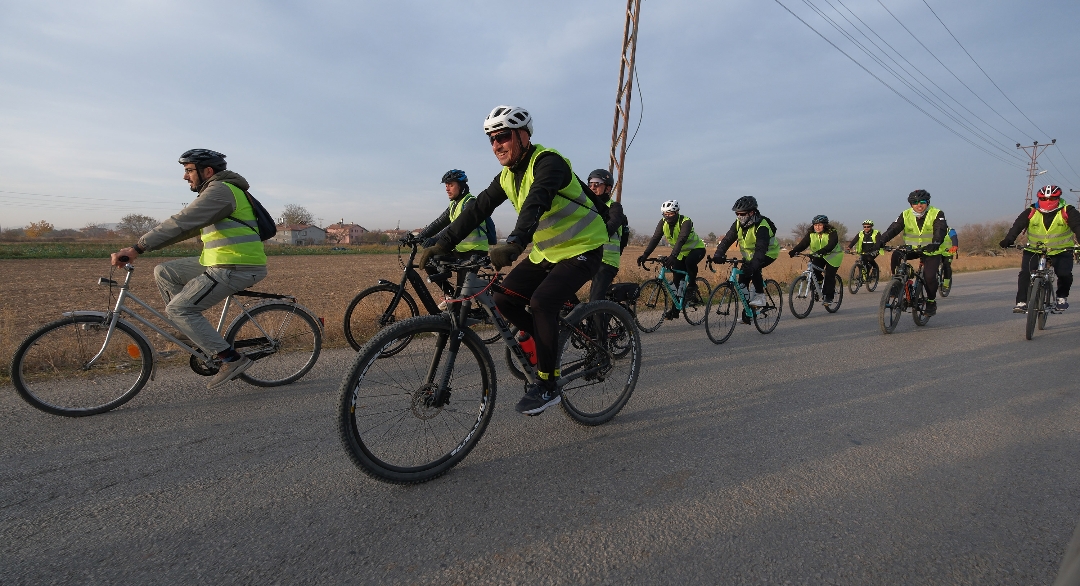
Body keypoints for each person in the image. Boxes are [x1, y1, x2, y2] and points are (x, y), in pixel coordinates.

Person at [417, 105, 609, 416]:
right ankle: (550, 341)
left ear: (522, 135)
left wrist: (515, 243)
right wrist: (441, 244)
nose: (496, 145)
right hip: (548, 252)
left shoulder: (549, 163)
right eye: (491, 139)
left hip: (583, 247)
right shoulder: (507, 176)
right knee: (503, 298)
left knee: (542, 302)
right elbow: (478, 209)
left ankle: (548, 385)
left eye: (502, 137)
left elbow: (538, 199)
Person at [110, 149, 267, 388]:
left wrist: (137, 248)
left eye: (188, 170)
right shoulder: (217, 192)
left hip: (237, 265)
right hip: (219, 261)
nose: (185, 176)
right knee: (165, 272)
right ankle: (191, 332)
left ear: (208, 171)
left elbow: (181, 221)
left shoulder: (221, 191)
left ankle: (231, 359)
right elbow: (185, 229)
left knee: (179, 309)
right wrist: (144, 249)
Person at [415, 169, 496, 297]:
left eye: (451, 185)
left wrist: (435, 240)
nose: (447, 189)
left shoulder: (470, 203)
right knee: (430, 262)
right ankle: (450, 295)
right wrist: (419, 236)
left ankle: (463, 303)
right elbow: (438, 223)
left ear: (462, 186)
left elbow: (456, 226)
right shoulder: (454, 204)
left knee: (462, 293)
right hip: (459, 250)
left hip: (474, 251)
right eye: (446, 185)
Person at [998, 185, 1080, 312]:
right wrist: (1009, 239)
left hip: (1061, 250)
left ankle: (1061, 297)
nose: (1048, 201)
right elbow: (1017, 225)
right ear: (1039, 198)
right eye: (1044, 198)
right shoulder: (1031, 211)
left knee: (1064, 274)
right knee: (1025, 273)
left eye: (1052, 198)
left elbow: (1077, 226)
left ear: (1058, 198)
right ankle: (1021, 302)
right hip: (1034, 250)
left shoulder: (1068, 211)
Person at [875, 189, 948, 316]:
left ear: (928, 202)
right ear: (910, 204)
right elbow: (893, 229)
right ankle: (898, 281)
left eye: (922, 202)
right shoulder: (905, 214)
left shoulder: (936, 213)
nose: (919, 205)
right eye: (915, 202)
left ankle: (931, 302)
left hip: (931, 250)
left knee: (929, 277)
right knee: (896, 254)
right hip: (912, 248)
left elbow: (940, 229)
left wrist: (936, 243)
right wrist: (881, 241)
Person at [636, 200, 706, 319]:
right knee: (677, 280)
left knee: (690, 262)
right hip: (680, 253)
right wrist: (645, 255)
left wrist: (672, 256)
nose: (667, 216)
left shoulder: (686, 221)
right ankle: (676, 310)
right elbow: (655, 238)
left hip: (696, 249)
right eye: (665, 214)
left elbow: (682, 239)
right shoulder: (663, 223)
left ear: (677, 212)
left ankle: (692, 286)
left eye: (670, 213)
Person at [712, 196, 780, 309]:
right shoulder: (738, 223)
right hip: (750, 256)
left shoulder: (762, 225)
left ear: (752, 212)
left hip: (768, 253)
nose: (739, 216)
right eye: (737, 214)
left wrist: (753, 266)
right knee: (742, 283)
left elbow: (760, 249)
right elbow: (727, 239)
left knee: (754, 268)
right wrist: (718, 253)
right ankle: (748, 312)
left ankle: (760, 297)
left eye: (742, 214)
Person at [586, 169, 629, 302]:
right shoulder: (586, 206)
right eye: (590, 184)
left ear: (608, 188)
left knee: (595, 301)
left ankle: (598, 322)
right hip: (587, 257)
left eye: (597, 184)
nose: (592, 187)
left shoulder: (614, 207)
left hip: (606, 261)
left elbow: (612, 225)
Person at [789, 215, 842, 304]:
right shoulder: (811, 233)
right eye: (815, 225)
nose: (817, 227)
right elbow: (804, 243)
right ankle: (820, 282)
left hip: (833, 255)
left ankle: (829, 297)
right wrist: (795, 250)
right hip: (819, 255)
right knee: (813, 269)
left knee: (829, 274)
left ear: (825, 225)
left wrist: (822, 251)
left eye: (820, 225)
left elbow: (831, 244)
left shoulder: (832, 232)